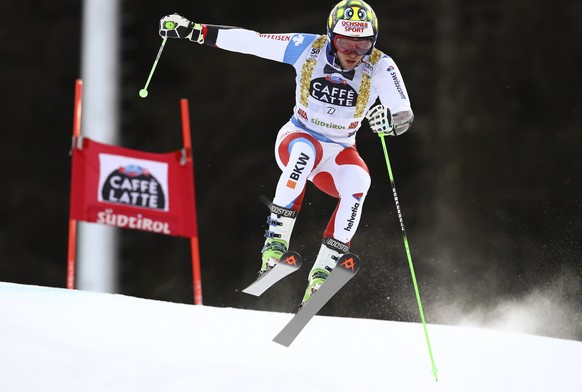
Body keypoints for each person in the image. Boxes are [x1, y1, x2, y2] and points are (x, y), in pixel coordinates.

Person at [159, 0, 413, 307]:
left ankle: (322, 272)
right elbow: (252, 41)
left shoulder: (381, 65)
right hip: (299, 136)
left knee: (360, 182)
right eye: (345, 42)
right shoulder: (308, 48)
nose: (351, 53)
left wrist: (390, 122)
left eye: (362, 45)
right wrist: (193, 31)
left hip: (341, 149)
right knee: (304, 153)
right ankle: (275, 245)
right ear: (331, 36)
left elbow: (403, 114)